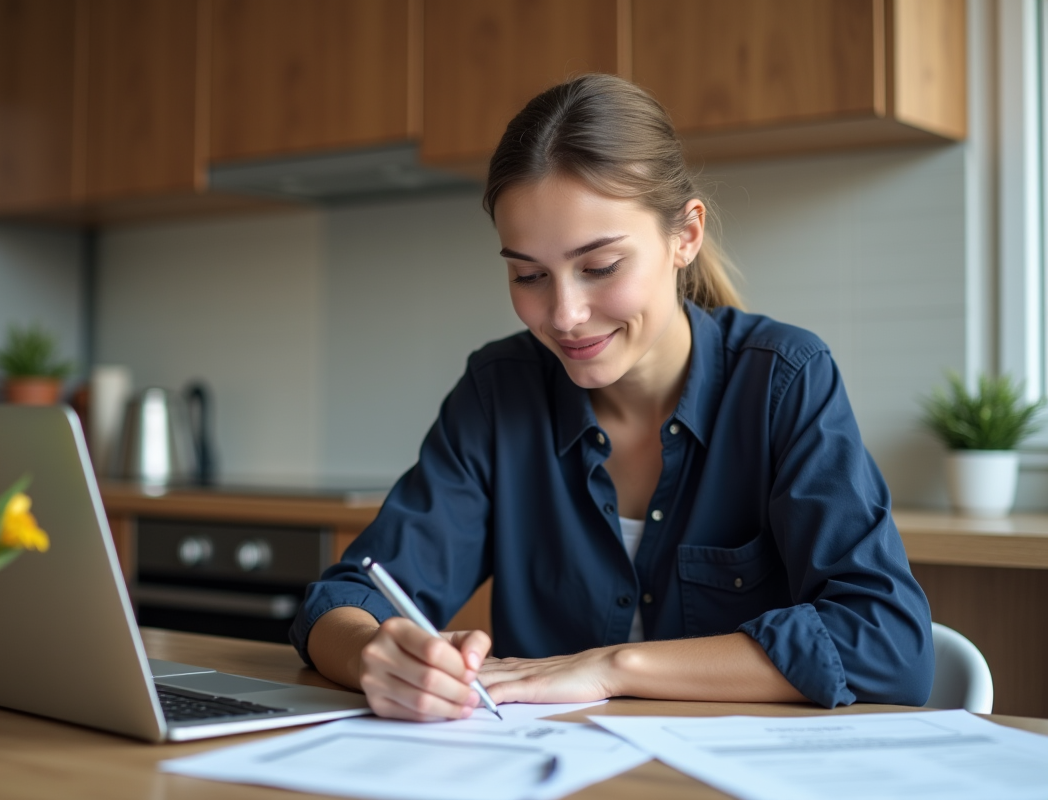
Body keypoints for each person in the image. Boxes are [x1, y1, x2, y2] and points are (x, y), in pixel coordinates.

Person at [289, 73, 934, 722]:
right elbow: (342, 601)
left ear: (685, 236)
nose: (564, 315)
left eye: (600, 267)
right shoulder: (498, 391)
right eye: (529, 275)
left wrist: (610, 666)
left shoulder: (784, 380)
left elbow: (887, 642)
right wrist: (378, 657)